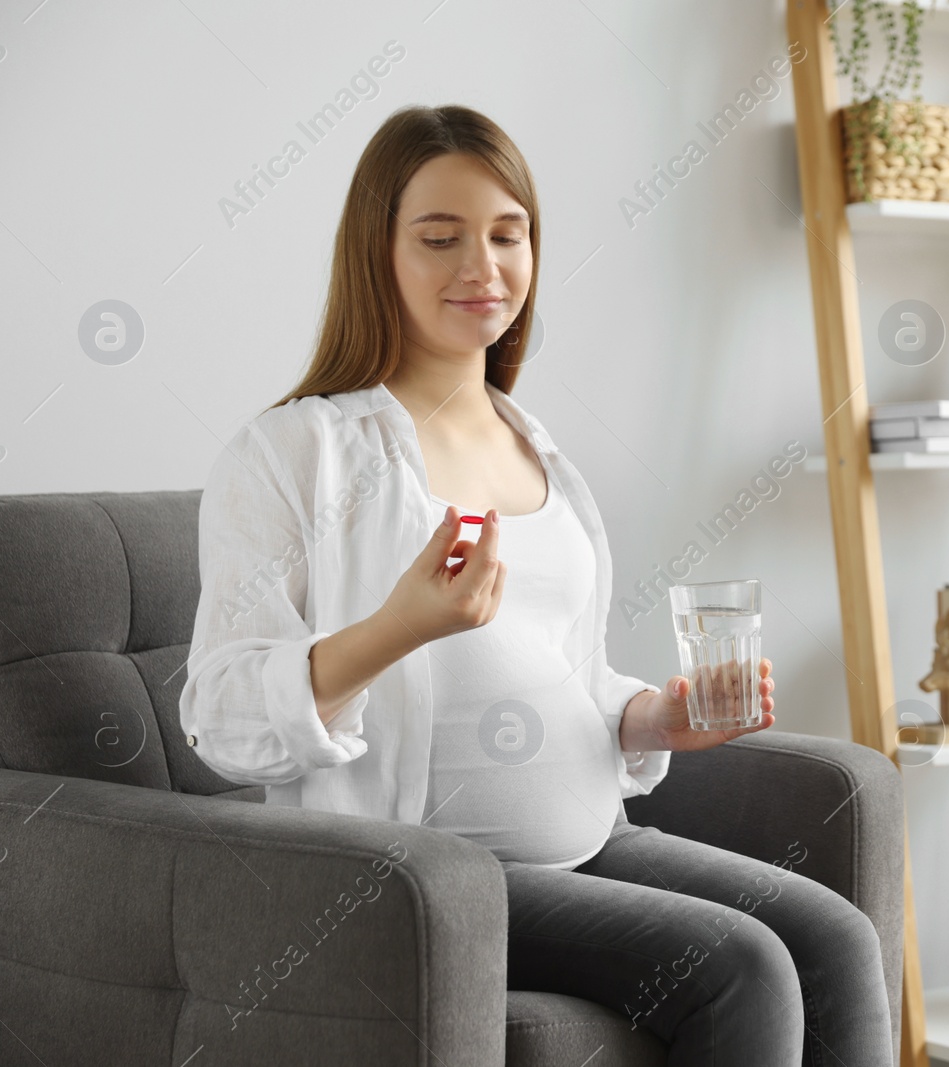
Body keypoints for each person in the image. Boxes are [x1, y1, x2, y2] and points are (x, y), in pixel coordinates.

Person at [179, 103, 893, 1066]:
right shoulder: (296, 452)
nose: (483, 267)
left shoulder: (536, 447)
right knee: (743, 968)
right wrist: (398, 625)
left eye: (508, 235)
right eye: (441, 238)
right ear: (375, 252)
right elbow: (221, 717)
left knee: (835, 938)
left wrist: (653, 717)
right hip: (435, 877)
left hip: (594, 838)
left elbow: (567, 673)